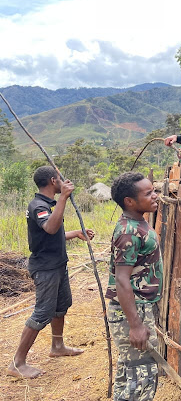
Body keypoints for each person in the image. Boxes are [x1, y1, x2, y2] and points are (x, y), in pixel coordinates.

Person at [7, 166, 94, 379]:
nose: (64, 182)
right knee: (42, 313)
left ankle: (57, 345)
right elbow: (50, 228)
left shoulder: (47, 204)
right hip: (45, 268)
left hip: (57, 264)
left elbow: (50, 235)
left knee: (60, 306)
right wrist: (64, 197)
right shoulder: (38, 206)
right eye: (60, 179)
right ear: (54, 181)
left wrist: (75, 233)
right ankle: (17, 363)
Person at [106, 172, 163, 401]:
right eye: (148, 193)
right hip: (133, 310)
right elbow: (122, 279)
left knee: (132, 374)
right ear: (129, 201)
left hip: (139, 307)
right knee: (140, 379)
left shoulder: (138, 224)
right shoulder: (129, 232)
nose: (155, 196)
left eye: (154, 191)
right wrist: (136, 325)